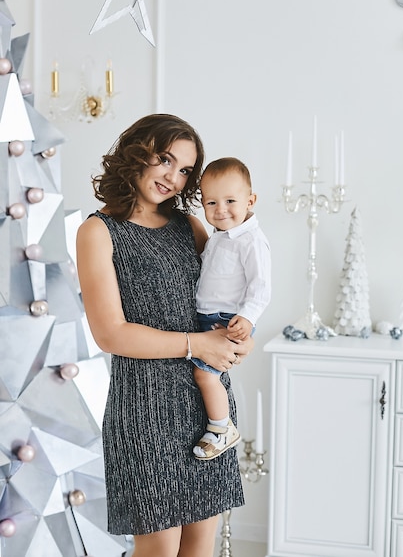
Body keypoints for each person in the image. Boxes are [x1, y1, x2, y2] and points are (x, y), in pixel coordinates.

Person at [76, 114, 254, 557]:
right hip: (143, 411)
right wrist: (198, 344)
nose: (173, 178)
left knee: (199, 544)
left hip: (207, 410)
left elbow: (224, 300)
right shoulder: (97, 232)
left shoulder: (191, 227)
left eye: (185, 171)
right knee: (158, 545)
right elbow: (110, 333)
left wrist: (239, 336)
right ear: (137, 153)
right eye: (165, 160)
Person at [191, 158, 271, 461]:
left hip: (229, 320)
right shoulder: (220, 236)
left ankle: (222, 428)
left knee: (205, 377)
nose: (220, 209)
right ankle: (219, 423)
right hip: (210, 316)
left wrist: (248, 319)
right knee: (203, 375)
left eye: (230, 201)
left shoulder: (251, 240)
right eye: (211, 202)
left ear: (250, 201)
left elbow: (261, 286)